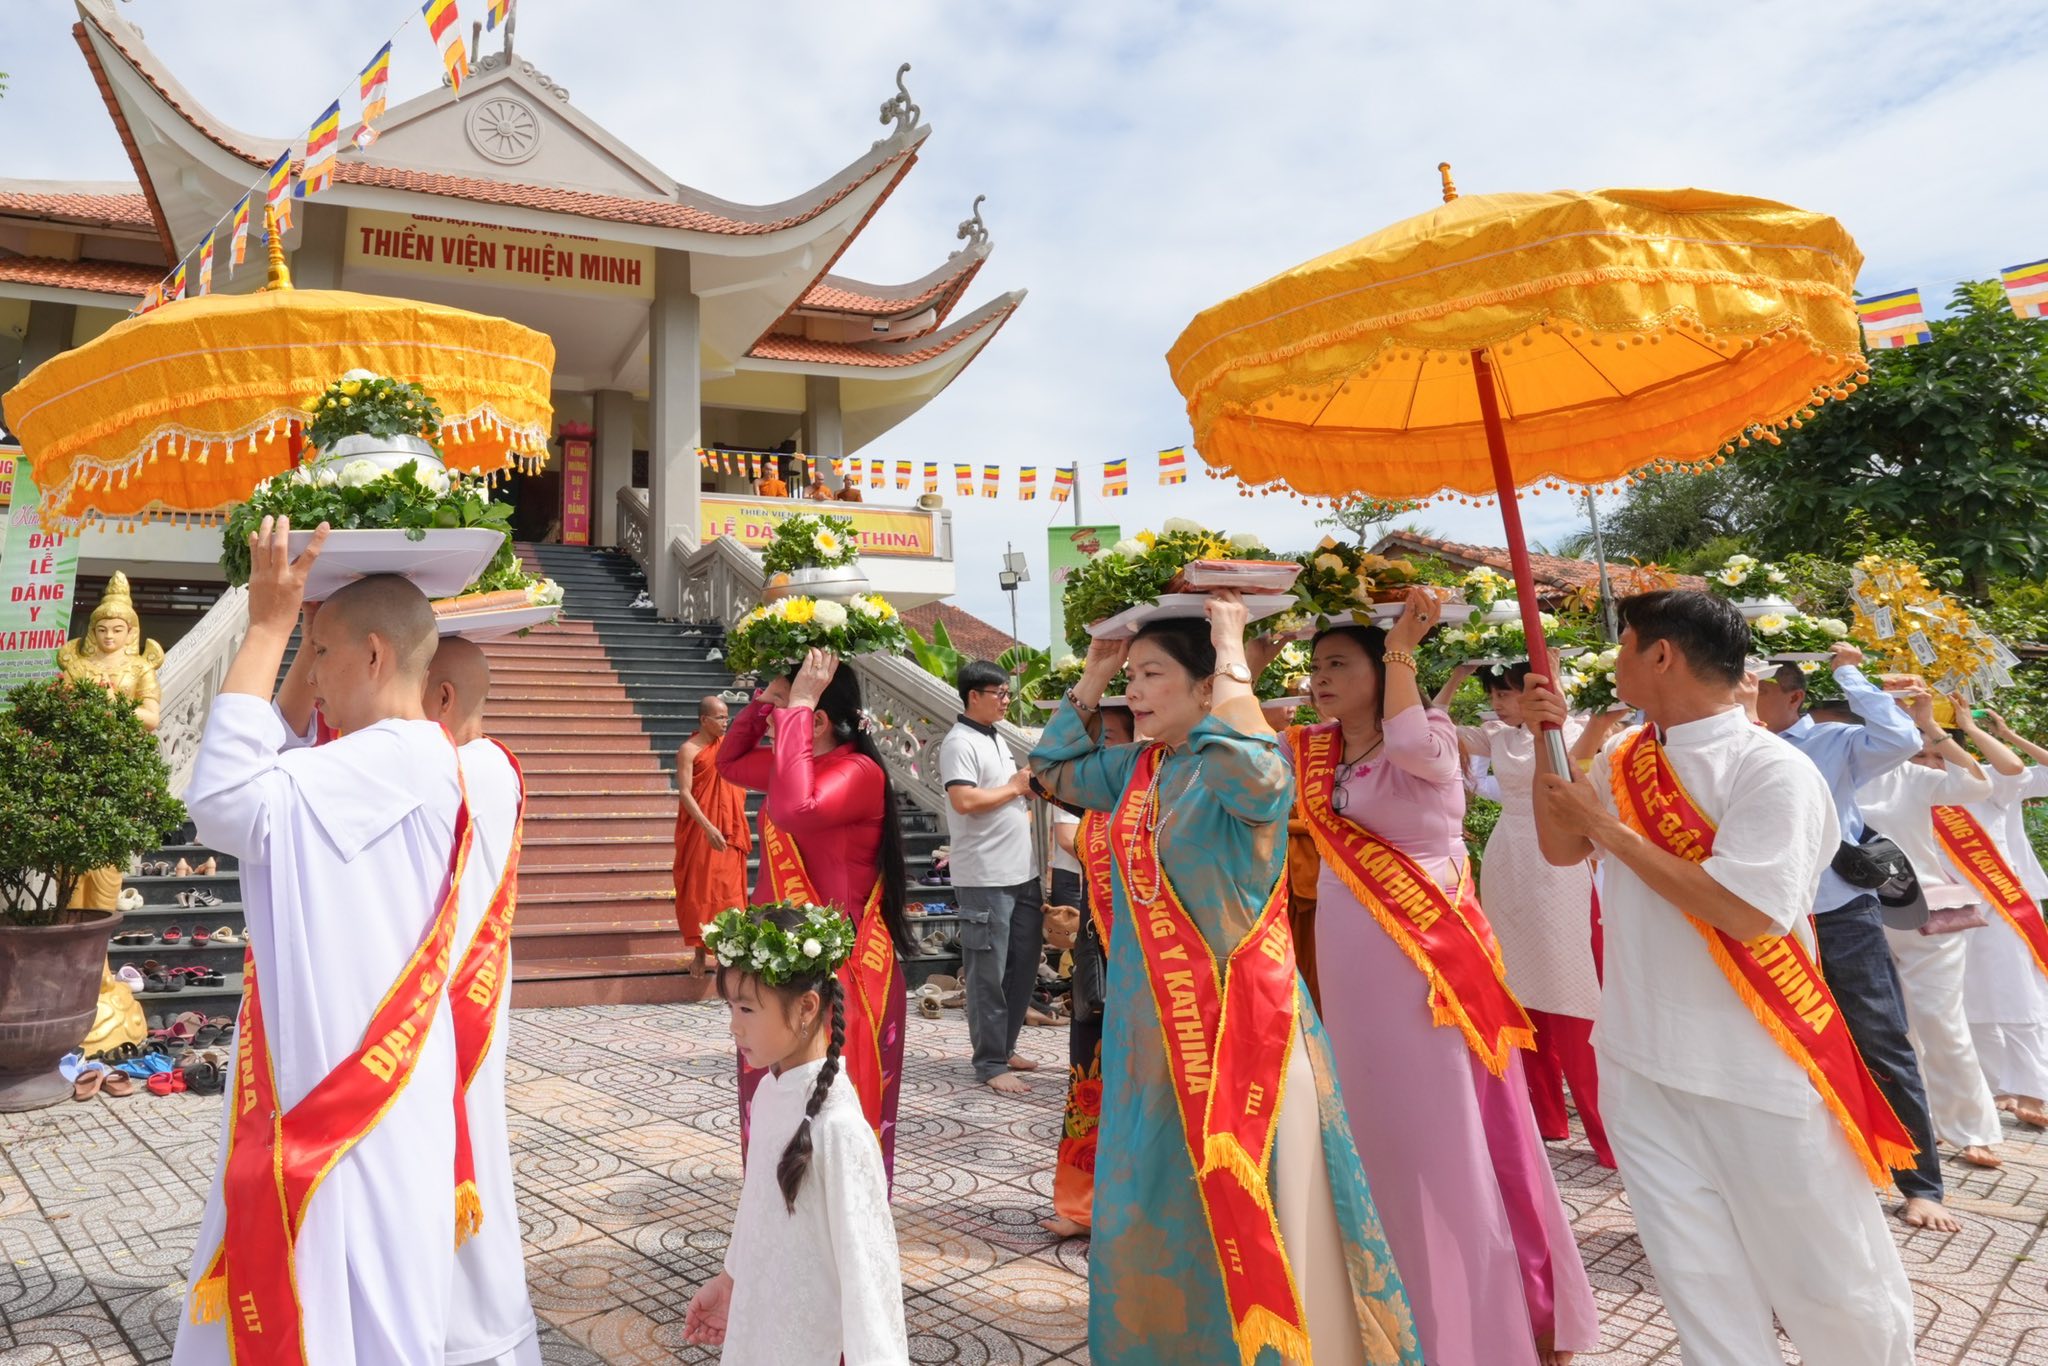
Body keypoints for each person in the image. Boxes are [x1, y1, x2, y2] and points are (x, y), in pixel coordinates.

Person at [1527, 589, 1916, 1366]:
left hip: (1756, 1063)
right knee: (1698, 1280)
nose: (1616, 659)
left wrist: (1606, 824)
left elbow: (1745, 913)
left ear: (1661, 654)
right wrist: (1548, 742)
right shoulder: (1627, 756)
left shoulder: (1773, 769)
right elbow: (1563, 851)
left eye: (1624, 643)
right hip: (1640, 1055)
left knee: (1828, 1278)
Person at [1031, 594, 1420, 1366]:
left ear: (1207, 687)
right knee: (1160, 1213)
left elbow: (1263, 782)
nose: (1133, 693)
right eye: (1131, 677)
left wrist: (1231, 647)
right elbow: (1049, 772)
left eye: (1151, 675)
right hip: (1153, 1038)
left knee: (1265, 1212)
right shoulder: (1141, 769)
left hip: (1248, 1037)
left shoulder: (1242, 763)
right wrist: (1093, 674)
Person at [174, 519, 469, 1366]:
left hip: (350, 1088)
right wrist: (303, 644)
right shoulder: (400, 757)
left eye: (325, 654)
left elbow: (227, 799)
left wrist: (267, 627)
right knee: (344, 1292)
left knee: (352, 1295)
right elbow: (283, 774)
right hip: (353, 1073)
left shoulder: (394, 757)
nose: (315, 675)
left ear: (375, 657)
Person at [1291, 598, 1598, 1366]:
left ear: (1383, 670)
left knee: (1448, 1128)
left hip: (1427, 960)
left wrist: (1401, 648)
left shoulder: (1423, 738)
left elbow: (1404, 734)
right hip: (1350, 955)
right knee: (1374, 1122)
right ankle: (1388, 1299)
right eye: (1317, 664)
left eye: (1340, 664)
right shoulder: (1323, 752)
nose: (1321, 677)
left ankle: (1492, 1321)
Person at [1757, 647, 1954, 1231]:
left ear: (1794, 697)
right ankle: (1806, 1175)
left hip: (1838, 911)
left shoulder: (1836, 743)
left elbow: (1896, 735)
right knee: (1777, 1046)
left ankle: (1922, 1184)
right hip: (1764, 917)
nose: (1747, 699)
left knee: (1880, 1040)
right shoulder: (1731, 746)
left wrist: (1848, 671)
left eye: (1761, 691)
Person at [684, 902, 908, 1365]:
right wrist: (731, 1280)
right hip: (756, 1325)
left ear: (807, 1007)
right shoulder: (770, 1092)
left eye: (746, 1008)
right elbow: (757, 1206)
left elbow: (871, 1280)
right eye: (730, 1007)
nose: (734, 1025)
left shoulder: (840, 1130)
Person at [716, 650, 910, 1182]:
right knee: (771, 1107)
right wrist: (765, 704)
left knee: (832, 1117)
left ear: (817, 720)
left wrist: (796, 701)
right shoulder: (795, 764)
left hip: (842, 972)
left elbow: (795, 808)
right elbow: (727, 764)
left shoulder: (858, 771)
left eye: (785, 708)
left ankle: (838, 1244)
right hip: (783, 964)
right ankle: (773, 1234)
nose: (774, 715)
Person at [1460, 661, 1623, 1169]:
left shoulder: (1574, 733)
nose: (1506, 703)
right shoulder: (1497, 737)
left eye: (1511, 692)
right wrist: (1450, 673)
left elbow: (1574, 780)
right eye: (1499, 694)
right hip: (1511, 857)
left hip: (1562, 862)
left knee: (1571, 987)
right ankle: (1546, 1115)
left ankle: (1605, 1133)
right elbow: (1428, 722)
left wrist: (1585, 724)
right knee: (1518, 985)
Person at [1858, 687, 2003, 1169]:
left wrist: (1933, 727)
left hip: (1924, 914)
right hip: (1854, 912)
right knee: (1887, 1028)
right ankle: (1914, 1122)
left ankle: (1971, 1128)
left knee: (1940, 1020)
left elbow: (1979, 783)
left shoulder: (1913, 775)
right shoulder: (1837, 770)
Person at [1042, 701, 1134, 1241]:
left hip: (1161, 963)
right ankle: (1081, 1206)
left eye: (1115, 740)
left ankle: (1135, 1208)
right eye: (1096, 742)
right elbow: (1044, 766)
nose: (1104, 753)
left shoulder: (1170, 798)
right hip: (1100, 963)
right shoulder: (1094, 809)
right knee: (1090, 1084)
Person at [938, 661, 1044, 1095]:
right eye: (998, 692)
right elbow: (964, 800)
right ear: (973, 696)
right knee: (987, 972)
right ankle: (989, 1061)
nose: (1005, 699)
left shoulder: (995, 737)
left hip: (1023, 872)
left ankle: (1007, 1045)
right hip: (984, 876)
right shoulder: (958, 741)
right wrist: (1017, 788)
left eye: (1007, 692)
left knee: (1022, 966)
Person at [1935, 709, 2045, 1123]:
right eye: (1923, 755)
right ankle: (1997, 1085)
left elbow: (2016, 768)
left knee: (2016, 994)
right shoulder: (1913, 784)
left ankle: (2033, 1089)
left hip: (2003, 901)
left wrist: (1985, 730)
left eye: (1939, 753)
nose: (1930, 762)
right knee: (1970, 998)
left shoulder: (1987, 782)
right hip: (1946, 906)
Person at [675, 694, 752, 975]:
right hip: (701, 830)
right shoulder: (689, 750)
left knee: (729, 893)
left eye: (726, 716)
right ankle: (699, 955)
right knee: (701, 890)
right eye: (719, 718)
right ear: (704, 720)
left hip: (728, 829)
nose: (725, 722)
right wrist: (708, 827)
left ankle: (728, 955)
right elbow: (685, 793)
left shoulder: (727, 747)